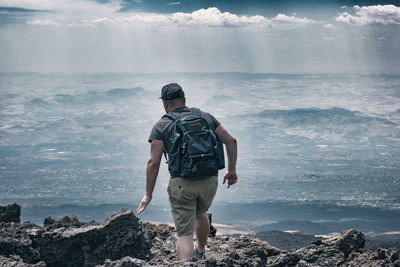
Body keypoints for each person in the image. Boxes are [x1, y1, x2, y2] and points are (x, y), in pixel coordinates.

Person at [136, 83, 238, 260]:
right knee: (201, 213)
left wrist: (148, 194)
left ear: (166, 103)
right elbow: (231, 141)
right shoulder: (205, 117)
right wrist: (231, 171)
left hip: (182, 184)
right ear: (184, 99)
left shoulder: (162, 125)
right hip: (209, 180)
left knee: (184, 234)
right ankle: (201, 251)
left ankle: (187, 263)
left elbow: (153, 162)